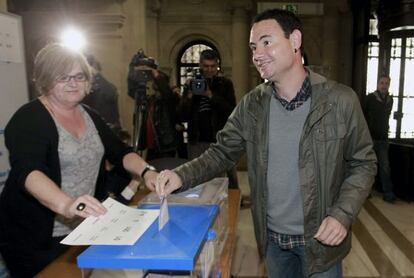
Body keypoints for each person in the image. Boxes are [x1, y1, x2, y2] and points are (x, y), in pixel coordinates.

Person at [155, 9, 377, 278]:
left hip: (320, 243)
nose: (257, 54)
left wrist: (342, 213)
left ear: (294, 40)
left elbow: (363, 163)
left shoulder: (340, 101)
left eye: (266, 42)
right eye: (253, 47)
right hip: (273, 244)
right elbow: (222, 153)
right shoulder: (253, 105)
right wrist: (181, 175)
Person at [0, 43, 158, 278]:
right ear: (44, 80)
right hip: (35, 238)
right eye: (63, 77)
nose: (73, 83)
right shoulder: (28, 118)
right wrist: (67, 205)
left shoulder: (90, 115)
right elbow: (28, 171)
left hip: (84, 229)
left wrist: (147, 172)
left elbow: (120, 152)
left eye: (79, 76)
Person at [178, 49, 238, 188]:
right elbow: (182, 115)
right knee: (195, 180)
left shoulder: (225, 84)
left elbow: (231, 111)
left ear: (217, 66)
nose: (209, 70)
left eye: (212, 66)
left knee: (217, 182)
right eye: (206, 66)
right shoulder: (191, 84)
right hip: (196, 140)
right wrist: (188, 96)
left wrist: (210, 95)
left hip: (217, 139)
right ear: (200, 65)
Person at [131, 65, 178, 161]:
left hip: (164, 146)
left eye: (157, 80)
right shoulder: (151, 100)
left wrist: (155, 73)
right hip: (151, 146)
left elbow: (166, 92)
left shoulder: (169, 99)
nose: (154, 81)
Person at [364, 75, 396, 203]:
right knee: (368, 166)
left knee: (385, 166)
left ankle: (388, 193)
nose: (384, 85)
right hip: (370, 138)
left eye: (386, 83)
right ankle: (366, 192)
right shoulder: (370, 98)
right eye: (382, 83)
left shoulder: (390, 100)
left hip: (383, 138)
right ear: (377, 84)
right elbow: (363, 115)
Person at [82, 54, 122, 135]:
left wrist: (96, 75)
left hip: (107, 131)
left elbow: (111, 94)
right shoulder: (81, 89)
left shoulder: (104, 87)